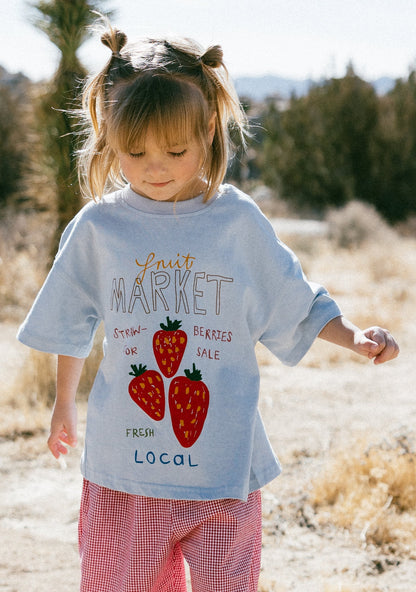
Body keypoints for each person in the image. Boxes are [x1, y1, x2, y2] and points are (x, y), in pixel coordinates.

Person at [17, 20, 399, 592]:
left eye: (176, 149)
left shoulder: (237, 221)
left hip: (224, 468)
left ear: (209, 135)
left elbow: (292, 300)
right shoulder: (98, 227)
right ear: (108, 138)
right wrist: (62, 406)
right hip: (126, 470)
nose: (156, 166)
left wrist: (354, 336)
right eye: (135, 151)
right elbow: (71, 324)